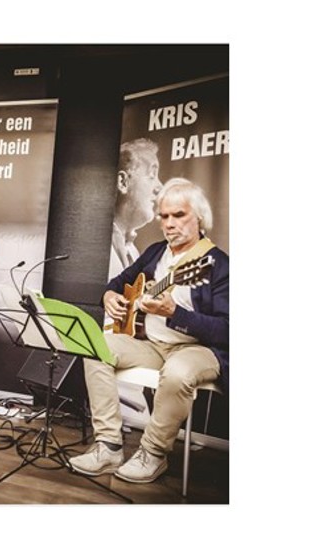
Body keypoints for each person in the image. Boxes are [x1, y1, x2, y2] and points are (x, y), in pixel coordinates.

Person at [68, 178, 228, 483]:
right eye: (164, 216)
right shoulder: (156, 252)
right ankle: (109, 445)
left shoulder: (218, 265)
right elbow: (118, 283)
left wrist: (175, 313)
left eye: (179, 215)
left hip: (197, 349)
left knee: (179, 372)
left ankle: (153, 453)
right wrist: (109, 296)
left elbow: (228, 330)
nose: (169, 224)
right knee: (95, 347)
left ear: (200, 218)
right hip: (152, 344)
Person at [109, 138, 163, 280]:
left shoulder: (133, 252)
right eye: (152, 176)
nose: (160, 187)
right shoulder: (92, 243)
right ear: (123, 182)